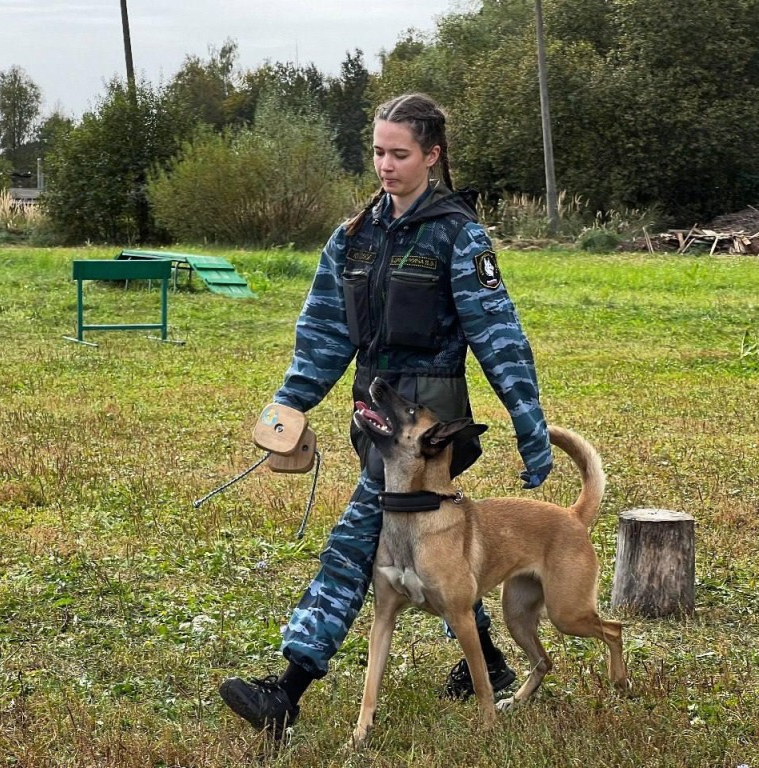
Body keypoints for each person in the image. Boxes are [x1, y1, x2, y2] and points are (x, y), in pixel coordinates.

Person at [219, 92, 554, 741]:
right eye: (378, 151)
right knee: (423, 546)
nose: (386, 165)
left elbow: (498, 334)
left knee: (357, 543)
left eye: (400, 153)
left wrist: (529, 422)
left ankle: (287, 689)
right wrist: (290, 401)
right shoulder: (353, 238)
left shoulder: (459, 235)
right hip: (375, 420)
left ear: (432, 154)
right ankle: (486, 663)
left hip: (428, 432)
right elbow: (323, 333)